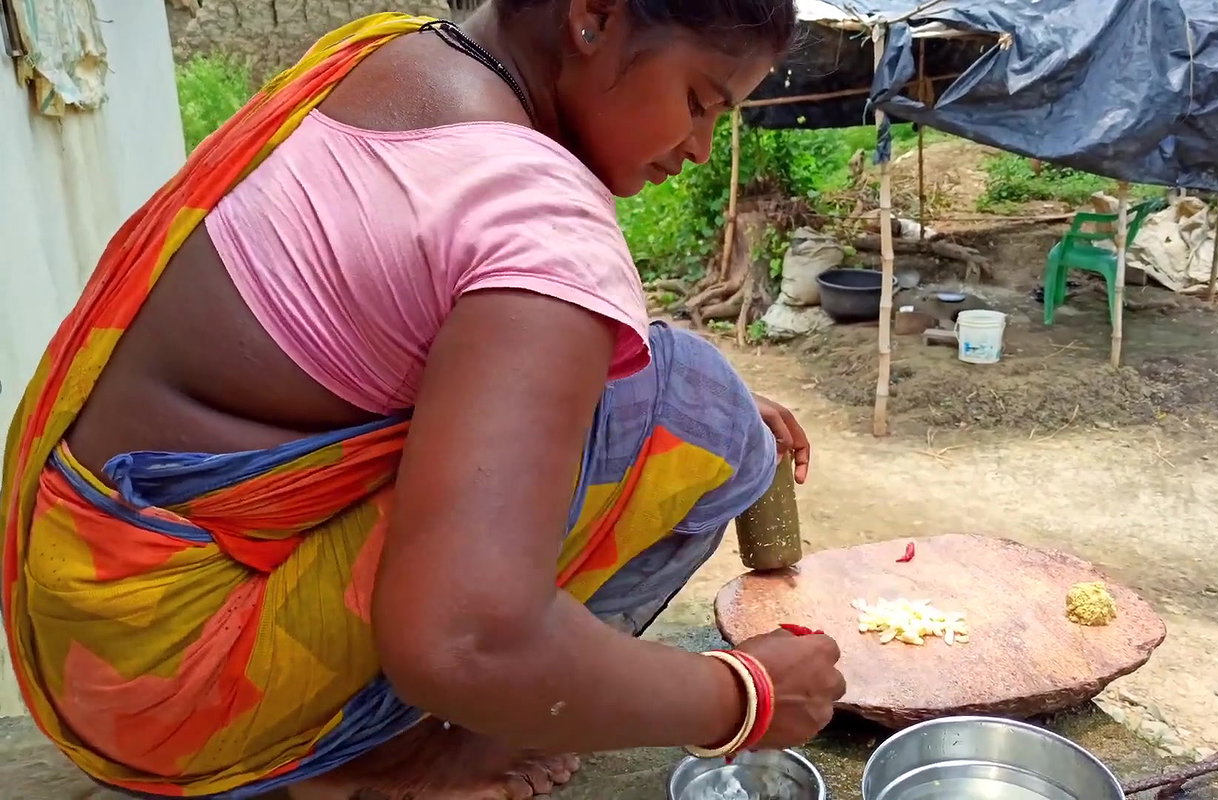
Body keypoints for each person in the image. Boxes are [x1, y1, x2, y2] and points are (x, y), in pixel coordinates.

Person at [0, 3, 846, 799]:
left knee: (648, 378)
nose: (700, 147)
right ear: (593, 16)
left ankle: (366, 735)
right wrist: (742, 697)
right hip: (183, 687)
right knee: (698, 408)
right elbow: (464, 641)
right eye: (699, 101)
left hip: (89, 624)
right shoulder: (540, 221)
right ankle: (403, 749)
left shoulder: (386, 56)